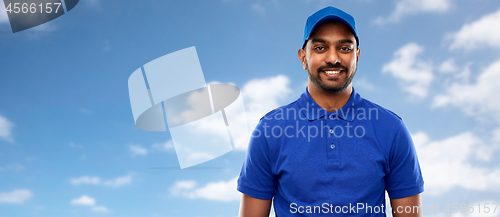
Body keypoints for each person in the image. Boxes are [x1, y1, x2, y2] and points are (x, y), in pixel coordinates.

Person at [237, 6, 424, 217]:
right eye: (320, 48)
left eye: (345, 48)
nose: (333, 58)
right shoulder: (270, 130)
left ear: (357, 55)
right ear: (302, 57)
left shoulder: (392, 129)